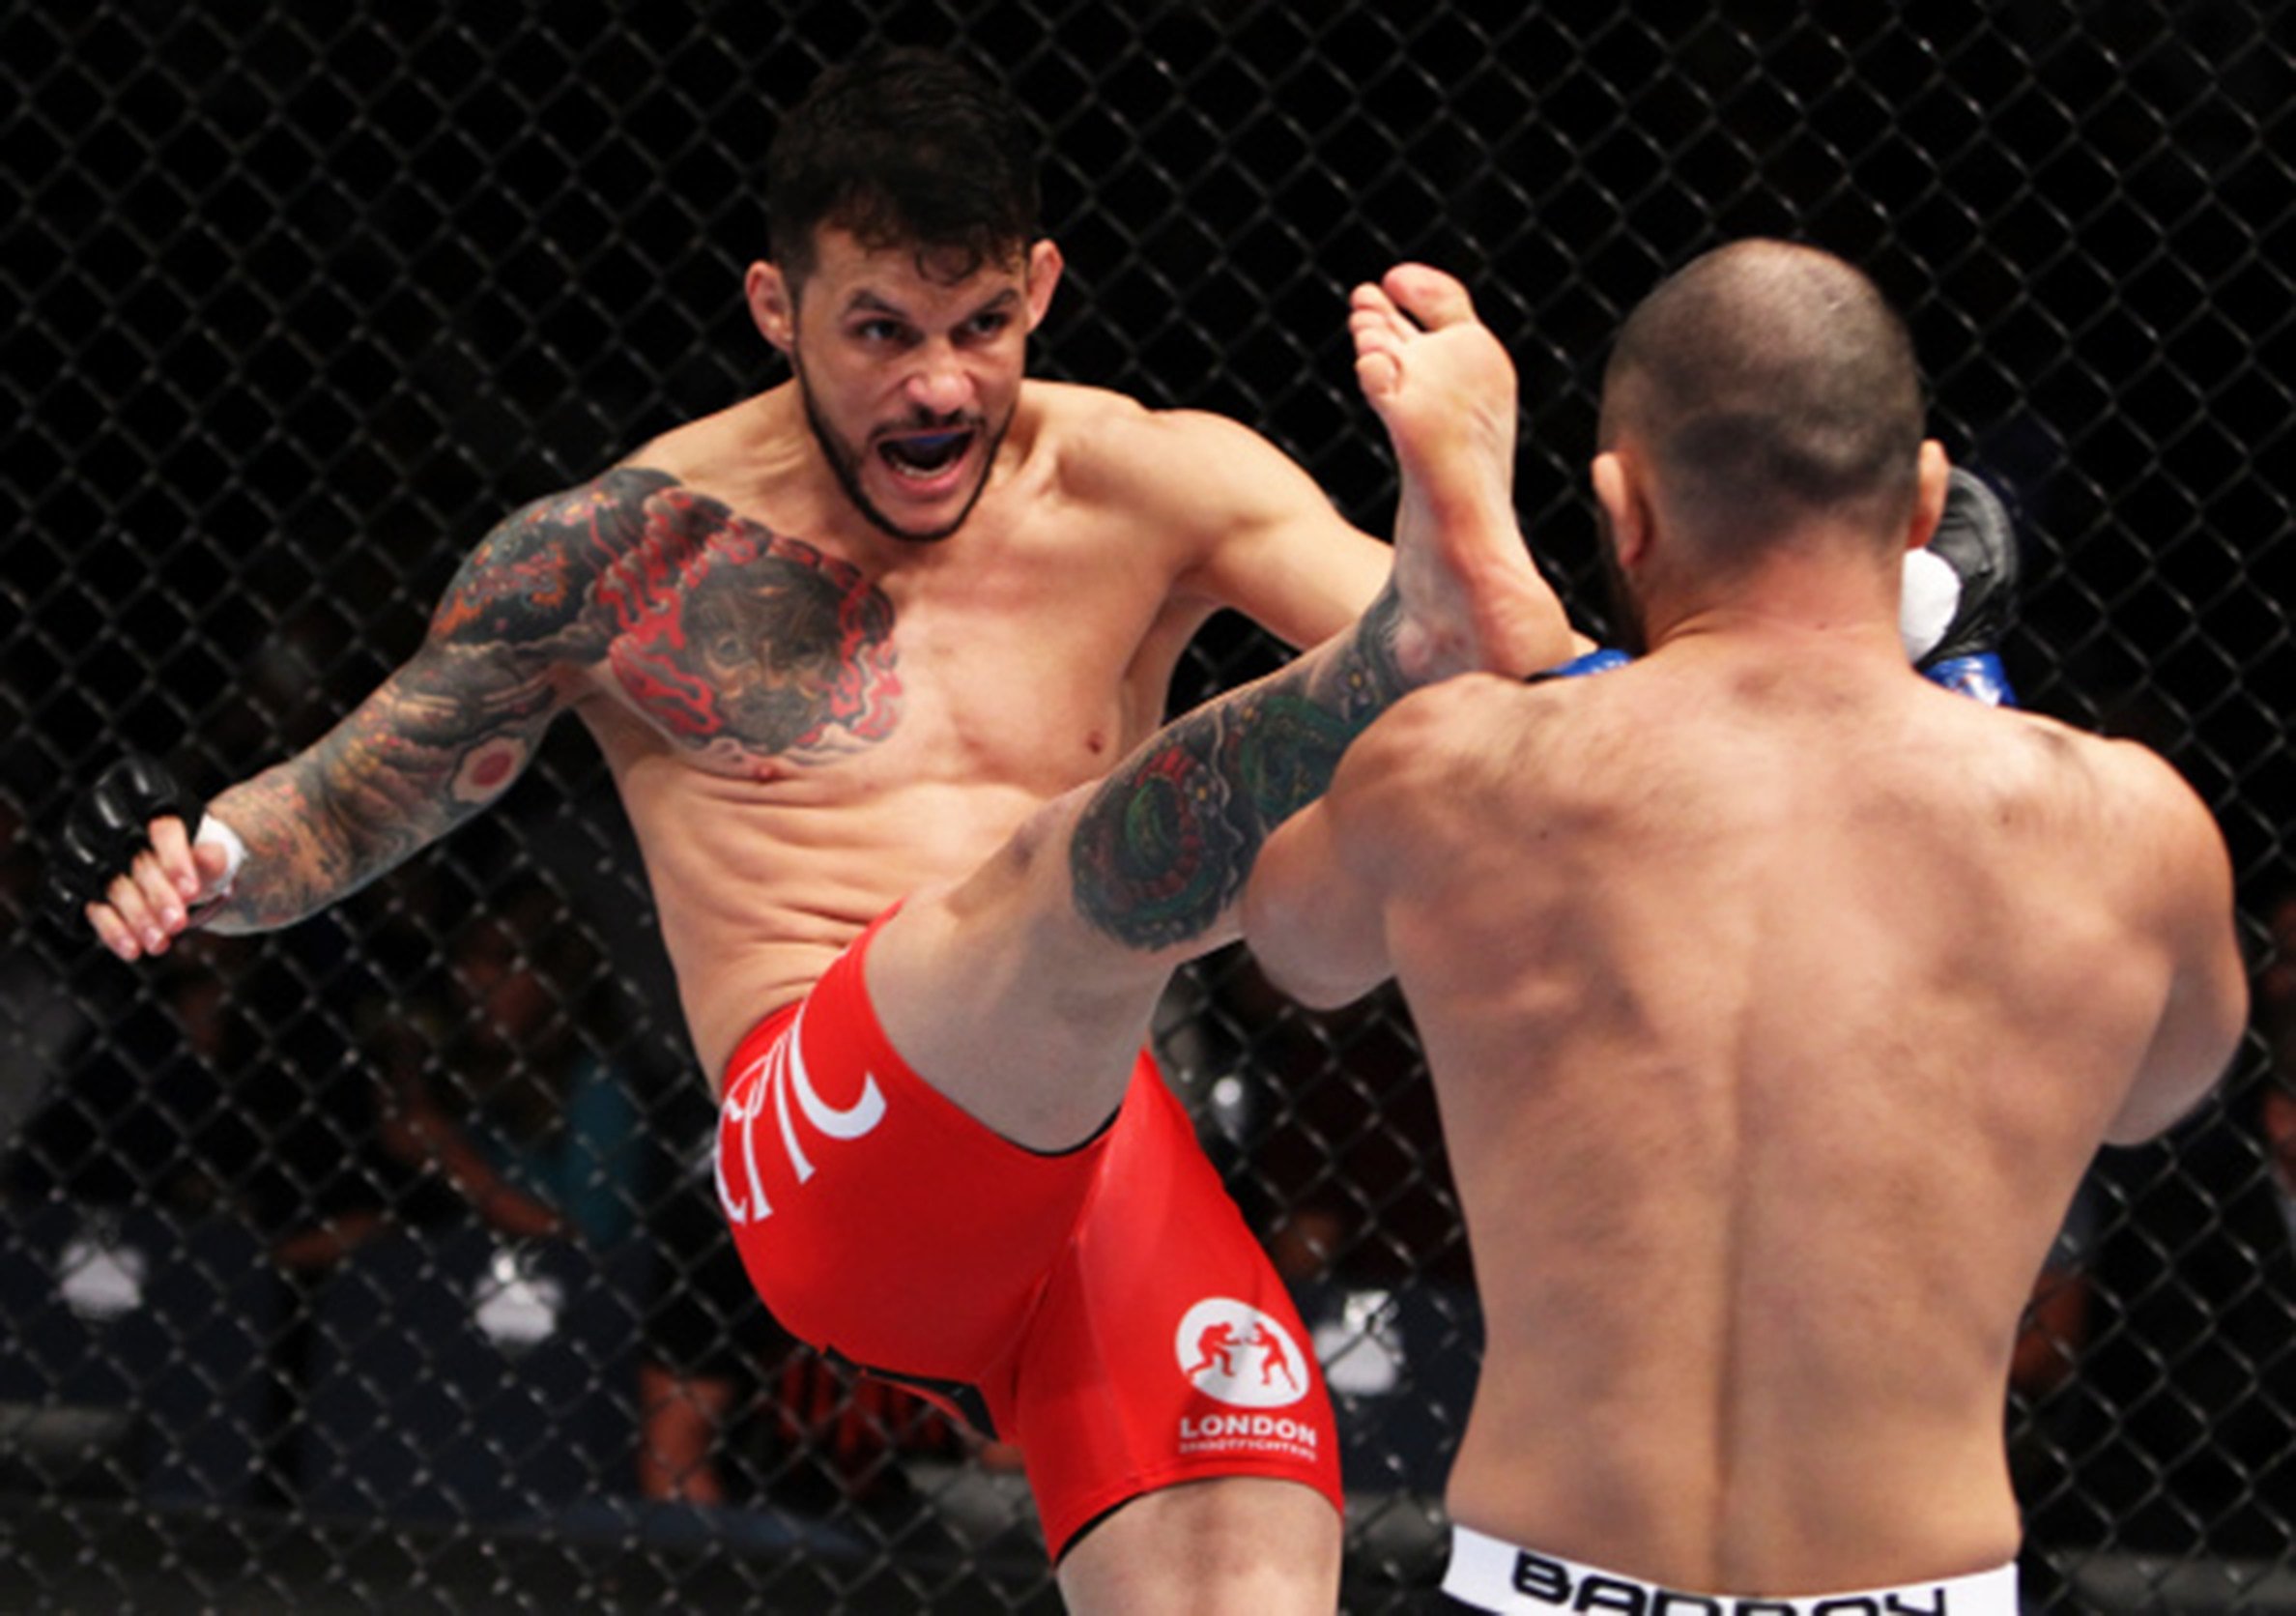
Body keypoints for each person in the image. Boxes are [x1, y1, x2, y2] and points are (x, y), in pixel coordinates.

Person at [46, 45, 1574, 1611]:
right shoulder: (629, 549)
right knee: (1064, 869)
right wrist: (205, 864)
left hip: (1097, 1159)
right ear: (778, 308)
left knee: (1247, 1574)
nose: (940, 386)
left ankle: (1412, 633)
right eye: (883, 333)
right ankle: (1398, 644)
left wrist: (1535, 610)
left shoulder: (1156, 479)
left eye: (982, 327)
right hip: (831, 1159)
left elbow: (1549, 710)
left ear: (1041, 285)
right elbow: (360, 787)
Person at [1244, 239, 2249, 1613]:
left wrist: (1475, 588)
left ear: (1623, 510)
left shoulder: (1461, 777)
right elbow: (2160, 1091)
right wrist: (1972, 703)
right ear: (1929, 505)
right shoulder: (2123, 832)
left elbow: (1295, 946)